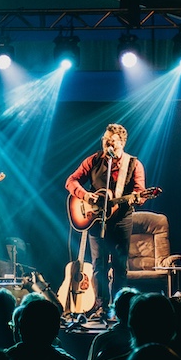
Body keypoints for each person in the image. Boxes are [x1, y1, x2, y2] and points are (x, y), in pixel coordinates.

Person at [64, 123, 148, 318]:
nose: (107, 144)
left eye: (112, 141)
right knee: (98, 266)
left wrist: (138, 196)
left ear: (122, 143)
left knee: (120, 266)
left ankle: (119, 308)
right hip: (96, 221)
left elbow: (140, 193)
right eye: (105, 140)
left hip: (121, 220)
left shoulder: (133, 164)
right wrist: (85, 196)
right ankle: (101, 307)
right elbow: (71, 181)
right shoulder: (94, 161)